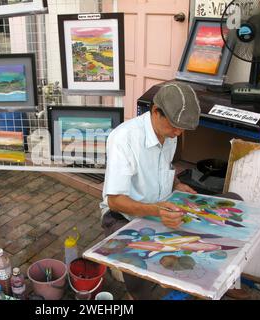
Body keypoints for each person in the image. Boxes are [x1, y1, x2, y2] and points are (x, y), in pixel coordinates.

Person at [100, 81, 249, 300]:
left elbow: (162, 169)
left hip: (163, 204)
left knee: (233, 202)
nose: (178, 133)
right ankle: (142, 294)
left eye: (182, 128)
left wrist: (177, 185)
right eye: (174, 126)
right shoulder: (123, 139)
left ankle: (224, 278)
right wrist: (156, 211)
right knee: (142, 269)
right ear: (155, 112)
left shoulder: (168, 134)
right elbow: (115, 201)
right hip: (122, 216)